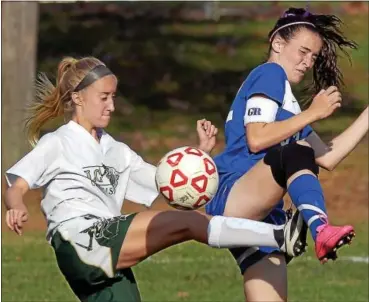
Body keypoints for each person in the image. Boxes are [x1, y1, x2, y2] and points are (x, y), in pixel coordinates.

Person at [4, 56, 306, 302]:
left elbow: (168, 185)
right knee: (188, 224)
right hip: (80, 239)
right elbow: (17, 184)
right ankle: (279, 235)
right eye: (104, 97)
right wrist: (15, 205)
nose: (111, 105)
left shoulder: (117, 151)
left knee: (187, 220)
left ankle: (281, 235)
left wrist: (198, 157)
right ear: (77, 98)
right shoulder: (59, 142)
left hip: (106, 254)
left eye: (113, 97)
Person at [205, 7, 368, 302]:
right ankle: (321, 230)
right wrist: (312, 114)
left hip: (265, 217)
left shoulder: (288, 107)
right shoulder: (270, 74)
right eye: (303, 52)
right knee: (296, 151)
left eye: (314, 57)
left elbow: (327, 158)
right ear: (278, 44)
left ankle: (307, 230)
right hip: (234, 192)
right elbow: (256, 139)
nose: (307, 63)